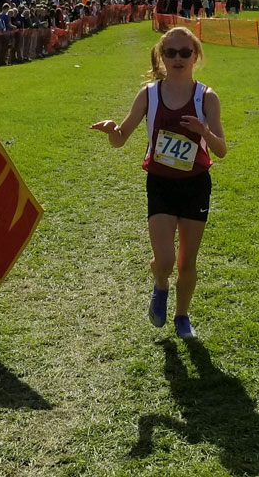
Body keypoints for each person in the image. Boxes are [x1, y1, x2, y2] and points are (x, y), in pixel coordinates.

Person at [90, 27, 227, 340]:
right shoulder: (149, 94)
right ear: (161, 56)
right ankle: (160, 285)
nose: (178, 58)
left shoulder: (206, 97)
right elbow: (120, 139)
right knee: (164, 260)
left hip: (195, 185)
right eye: (171, 52)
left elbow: (221, 150)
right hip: (161, 184)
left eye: (185, 52)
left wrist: (204, 131)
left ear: (196, 55)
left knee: (187, 262)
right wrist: (112, 131)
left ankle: (182, 316)